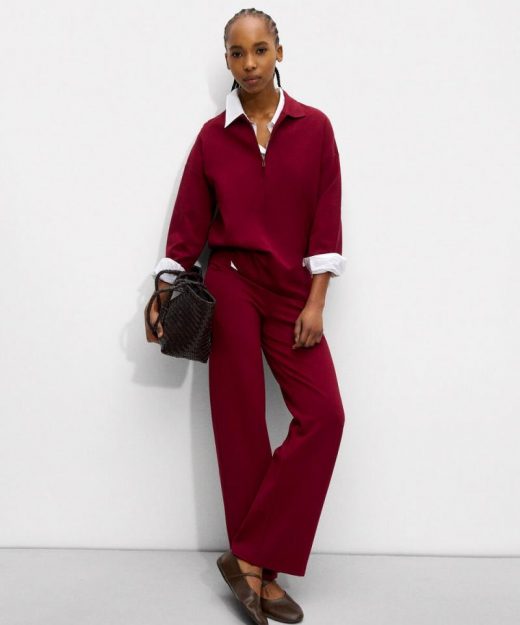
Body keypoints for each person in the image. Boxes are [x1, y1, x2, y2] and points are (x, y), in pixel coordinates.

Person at [145, 8, 347, 625]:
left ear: (279, 52)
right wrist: (164, 287)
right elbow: (187, 225)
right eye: (238, 53)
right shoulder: (213, 138)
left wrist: (316, 299)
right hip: (230, 283)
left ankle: (250, 556)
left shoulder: (315, 128)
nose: (250, 63)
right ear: (228, 60)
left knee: (325, 416)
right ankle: (262, 575)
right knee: (239, 425)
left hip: (292, 291)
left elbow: (326, 220)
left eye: (260, 49)